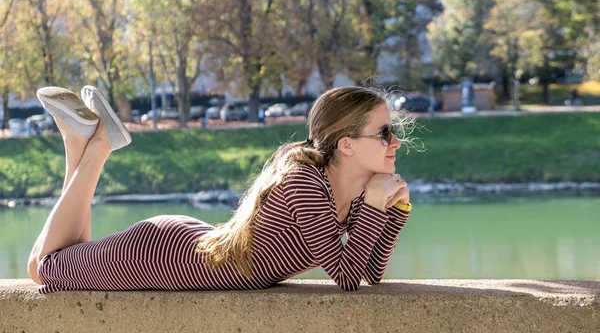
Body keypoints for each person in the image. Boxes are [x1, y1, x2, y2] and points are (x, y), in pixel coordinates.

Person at [28, 85, 412, 293]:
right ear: (346, 144)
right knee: (41, 268)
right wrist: (379, 209)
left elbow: (369, 274)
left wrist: (397, 210)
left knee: (64, 255)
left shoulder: (358, 194)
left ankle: (76, 139)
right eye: (384, 133)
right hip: (164, 258)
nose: (395, 142)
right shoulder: (306, 182)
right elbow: (345, 279)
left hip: (194, 245)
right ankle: (97, 147)